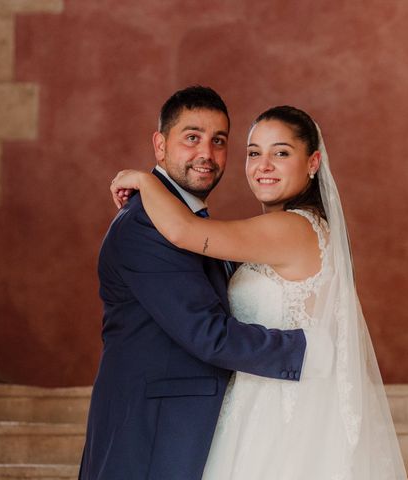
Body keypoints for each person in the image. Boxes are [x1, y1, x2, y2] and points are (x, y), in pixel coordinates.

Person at [110, 105, 407, 479]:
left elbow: (184, 232)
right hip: (256, 398)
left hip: (285, 413)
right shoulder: (282, 232)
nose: (263, 165)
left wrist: (145, 180)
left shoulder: (291, 229)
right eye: (254, 153)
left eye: (280, 153)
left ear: (313, 162)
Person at [79, 87, 330, 480]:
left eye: (219, 142)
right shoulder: (147, 224)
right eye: (192, 138)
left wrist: (146, 182)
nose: (206, 154)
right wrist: (310, 351)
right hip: (151, 430)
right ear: (160, 146)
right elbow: (207, 334)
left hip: (202, 425)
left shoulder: (194, 223)